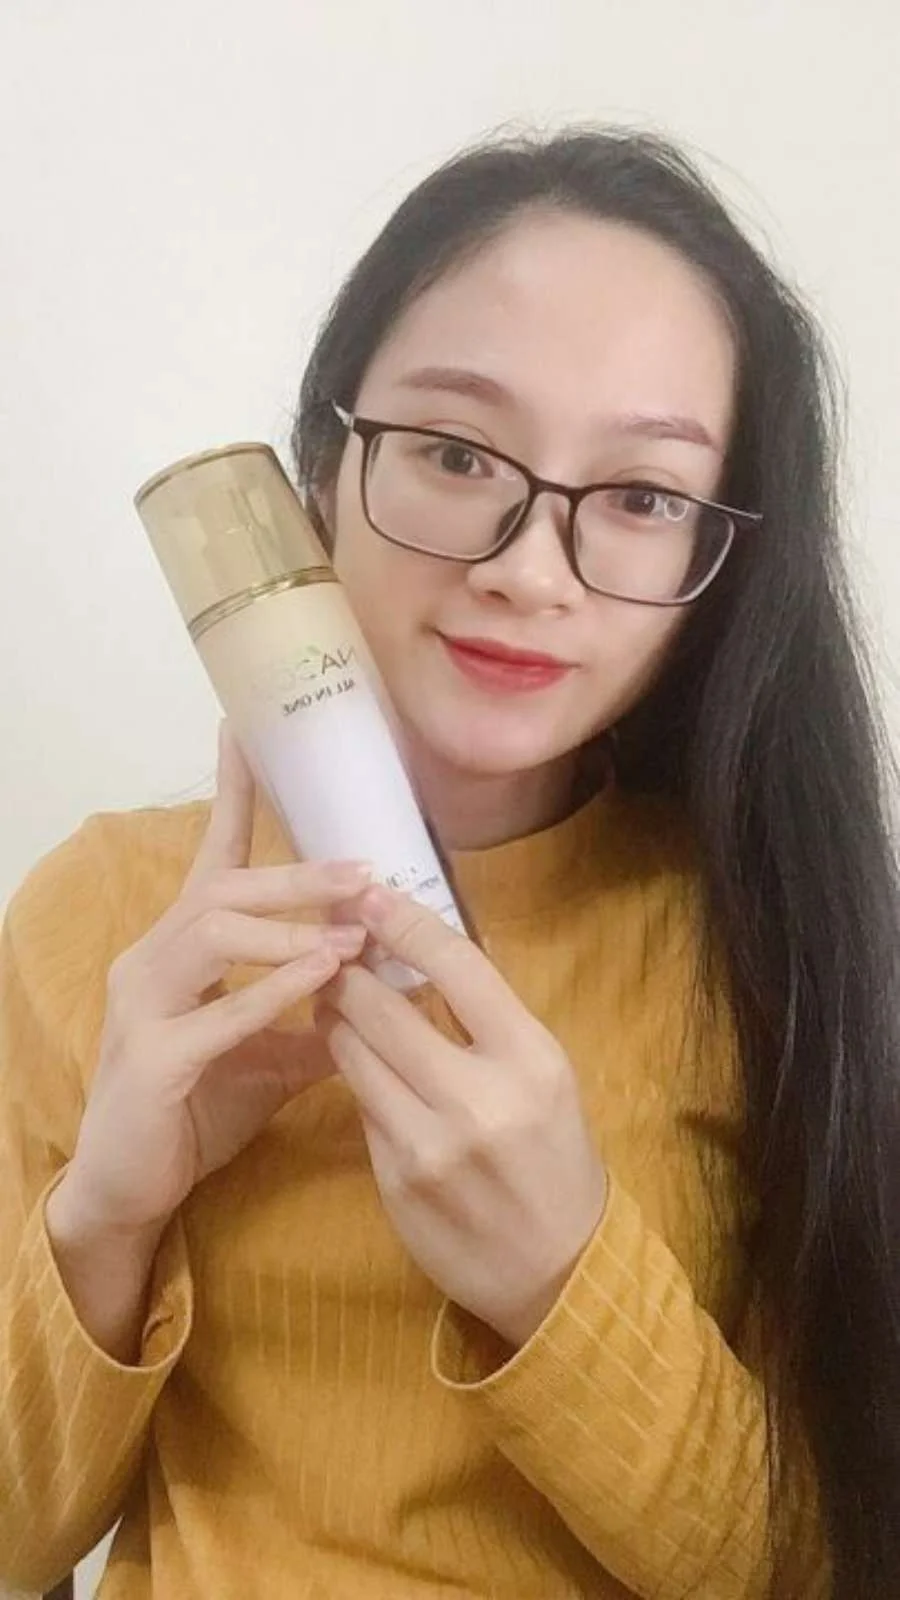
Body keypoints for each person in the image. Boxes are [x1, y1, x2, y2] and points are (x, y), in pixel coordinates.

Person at [0, 127, 897, 1600]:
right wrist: (105, 1219)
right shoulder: (103, 913)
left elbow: (822, 1561)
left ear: (720, 562)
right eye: (457, 453)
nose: (526, 570)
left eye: (643, 495)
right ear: (321, 470)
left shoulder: (776, 940)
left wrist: (562, 1280)